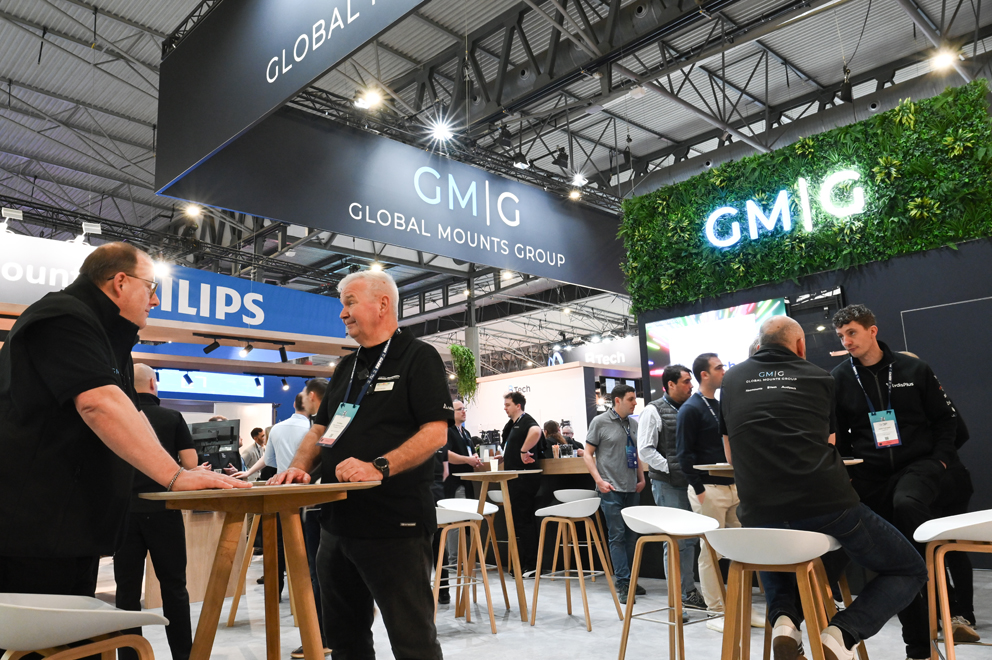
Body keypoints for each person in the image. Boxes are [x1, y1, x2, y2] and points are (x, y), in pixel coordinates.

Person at [0, 242, 247, 597]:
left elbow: (132, 413)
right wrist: (174, 475)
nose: (155, 300)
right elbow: (99, 403)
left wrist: (178, 474)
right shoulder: (64, 317)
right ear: (120, 282)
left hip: (66, 527)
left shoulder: (108, 338)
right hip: (33, 529)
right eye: (151, 287)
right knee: (40, 630)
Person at [720, 315, 928, 660]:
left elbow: (730, 453)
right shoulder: (820, 377)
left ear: (758, 345)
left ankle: (785, 621)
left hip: (757, 508)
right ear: (800, 346)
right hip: (825, 504)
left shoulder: (731, 379)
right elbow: (828, 442)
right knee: (909, 569)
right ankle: (842, 633)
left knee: (770, 534)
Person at [269, 269, 451, 660]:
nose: (342, 313)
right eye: (342, 305)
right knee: (344, 641)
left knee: (413, 641)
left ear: (383, 304)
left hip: (394, 525)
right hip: (336, 524)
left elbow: (436, 433)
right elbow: (320, 430)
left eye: (349, 302)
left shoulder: (418, 357)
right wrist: (299, 467)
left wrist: (378, 466)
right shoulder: (346, 367)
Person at [831, 304, 957, 660]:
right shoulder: (839, 378)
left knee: (906, 508)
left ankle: (942, 592)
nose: (847, 341)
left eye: (852, 333)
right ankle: (918, 647)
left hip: (917, 467)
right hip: (869, 476)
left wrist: (939, 460)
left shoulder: (913, 368)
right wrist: (849, 472)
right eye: (841, 336)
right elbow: (837, 434)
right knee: (894, 566)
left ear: (872, 330)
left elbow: (946, 421)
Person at [114, 363, 198, 660]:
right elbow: (190, 464)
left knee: (126, 591)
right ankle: (183, 655)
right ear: (153, 384)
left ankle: (129, 656)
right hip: (163, 510)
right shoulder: (172, 417)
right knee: (174, 587)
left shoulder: (119, 417)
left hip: (124, 514)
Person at [676, 352, 753, 631]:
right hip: (708, 489)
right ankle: (716, 611)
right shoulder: (690, 409)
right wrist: (698, 489)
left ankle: (741, 607)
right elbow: (683, 453)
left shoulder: (719, 405)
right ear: (704, 374)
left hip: (732, 487)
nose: (724, 371)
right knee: (709, 552)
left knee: (742, 548)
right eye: (719, 367)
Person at [637, 364, 706, 611]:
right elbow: (645, 449)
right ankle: (678, 598)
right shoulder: (653, 410)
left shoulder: (693, 407)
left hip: (692, 483)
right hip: (668, 483)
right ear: (670, 384)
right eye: (686, 381)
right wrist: (673, 468)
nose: (691, 385)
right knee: (675, 541)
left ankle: (688, 591)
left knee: (691, 540)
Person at [583, 384, 645, 604]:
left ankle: (630, 578)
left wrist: (641, 478)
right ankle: (623, 582)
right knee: (617, 536)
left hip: (632, 488)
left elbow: (635, 453)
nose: (634, 403)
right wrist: (599, 481)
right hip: (611, 490)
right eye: (631, 399)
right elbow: (588, 454)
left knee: (631, 537)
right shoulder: (600, 422)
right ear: (617, 400)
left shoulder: (633, 424)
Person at [501, 390, 543, 575]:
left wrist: (523, 451)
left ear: (518, 406)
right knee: (519, 520)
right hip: (514, 478)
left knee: (524, 520)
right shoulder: (512, 424)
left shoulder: (526, 421)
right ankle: (524, 562)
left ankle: (531, 564)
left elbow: (536, 431)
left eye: (508, 405)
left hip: (524, 478)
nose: (505, 408)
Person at [444, 399, 481, 498]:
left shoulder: (466, 433)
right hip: (455, 481)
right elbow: (446, 454)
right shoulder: (448, 430)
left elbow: (472, 452)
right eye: (460, 409)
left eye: (464, 409)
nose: (463, 412)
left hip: (468, 480)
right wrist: (467, 460)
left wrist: (475, 458)